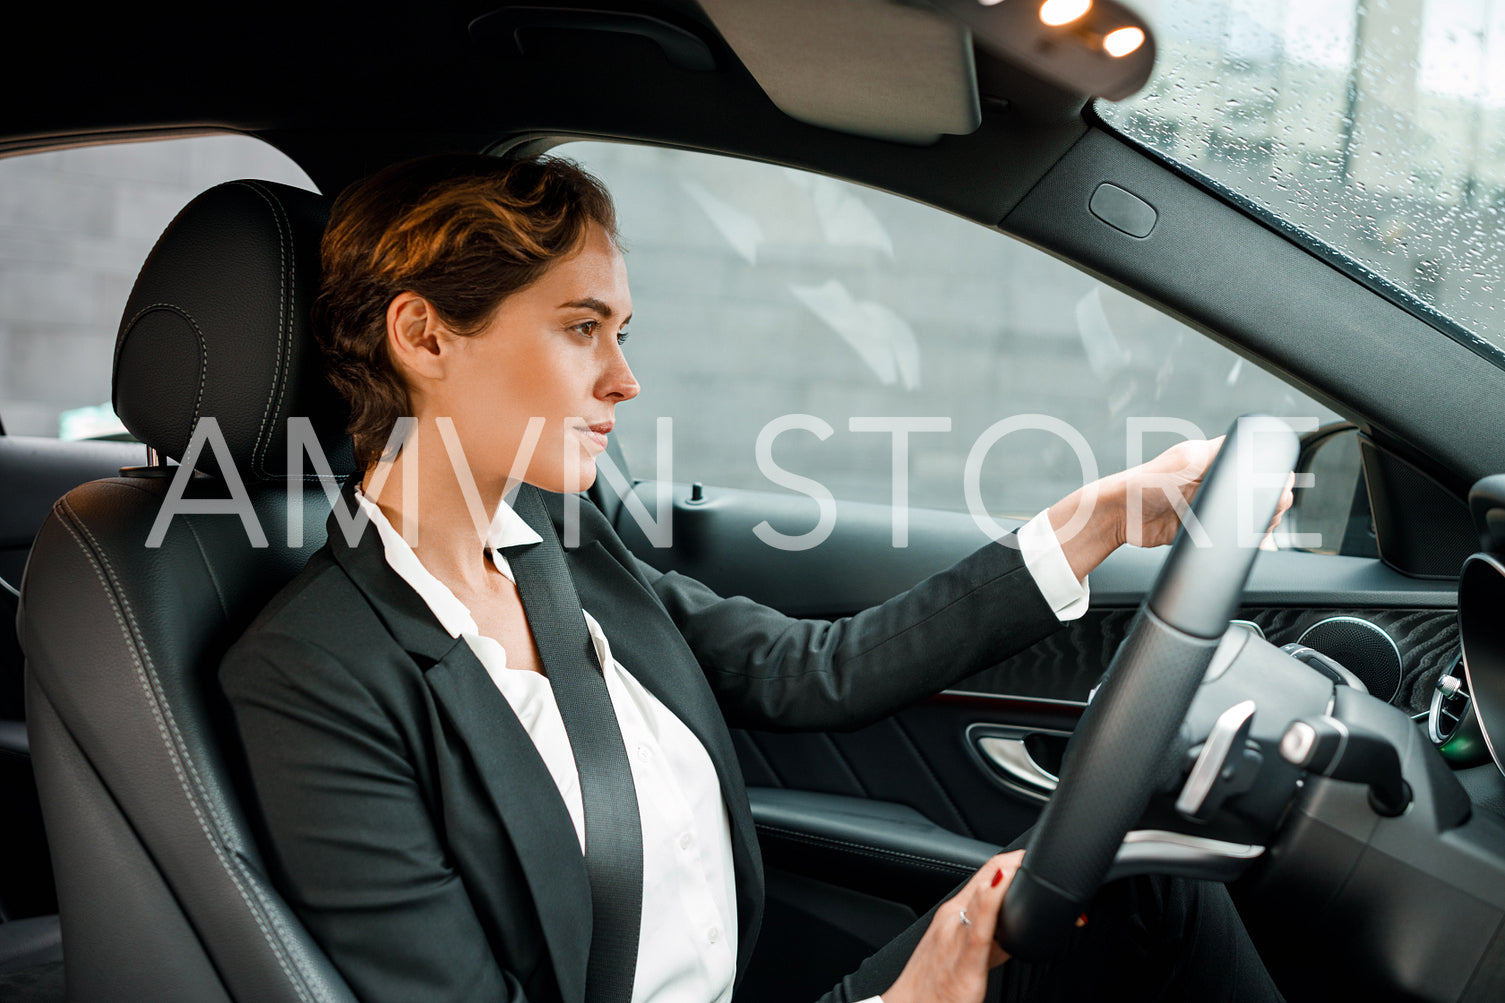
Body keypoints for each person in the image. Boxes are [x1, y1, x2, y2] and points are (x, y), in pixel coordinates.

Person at [221, 154, 1290, 1003]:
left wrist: (1098, 518)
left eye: (620, 332)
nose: (623, 379)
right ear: (423, 334)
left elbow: (806, 672)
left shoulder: (561, 539)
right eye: (579, 328)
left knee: (1141, 881)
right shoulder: (316, 674)